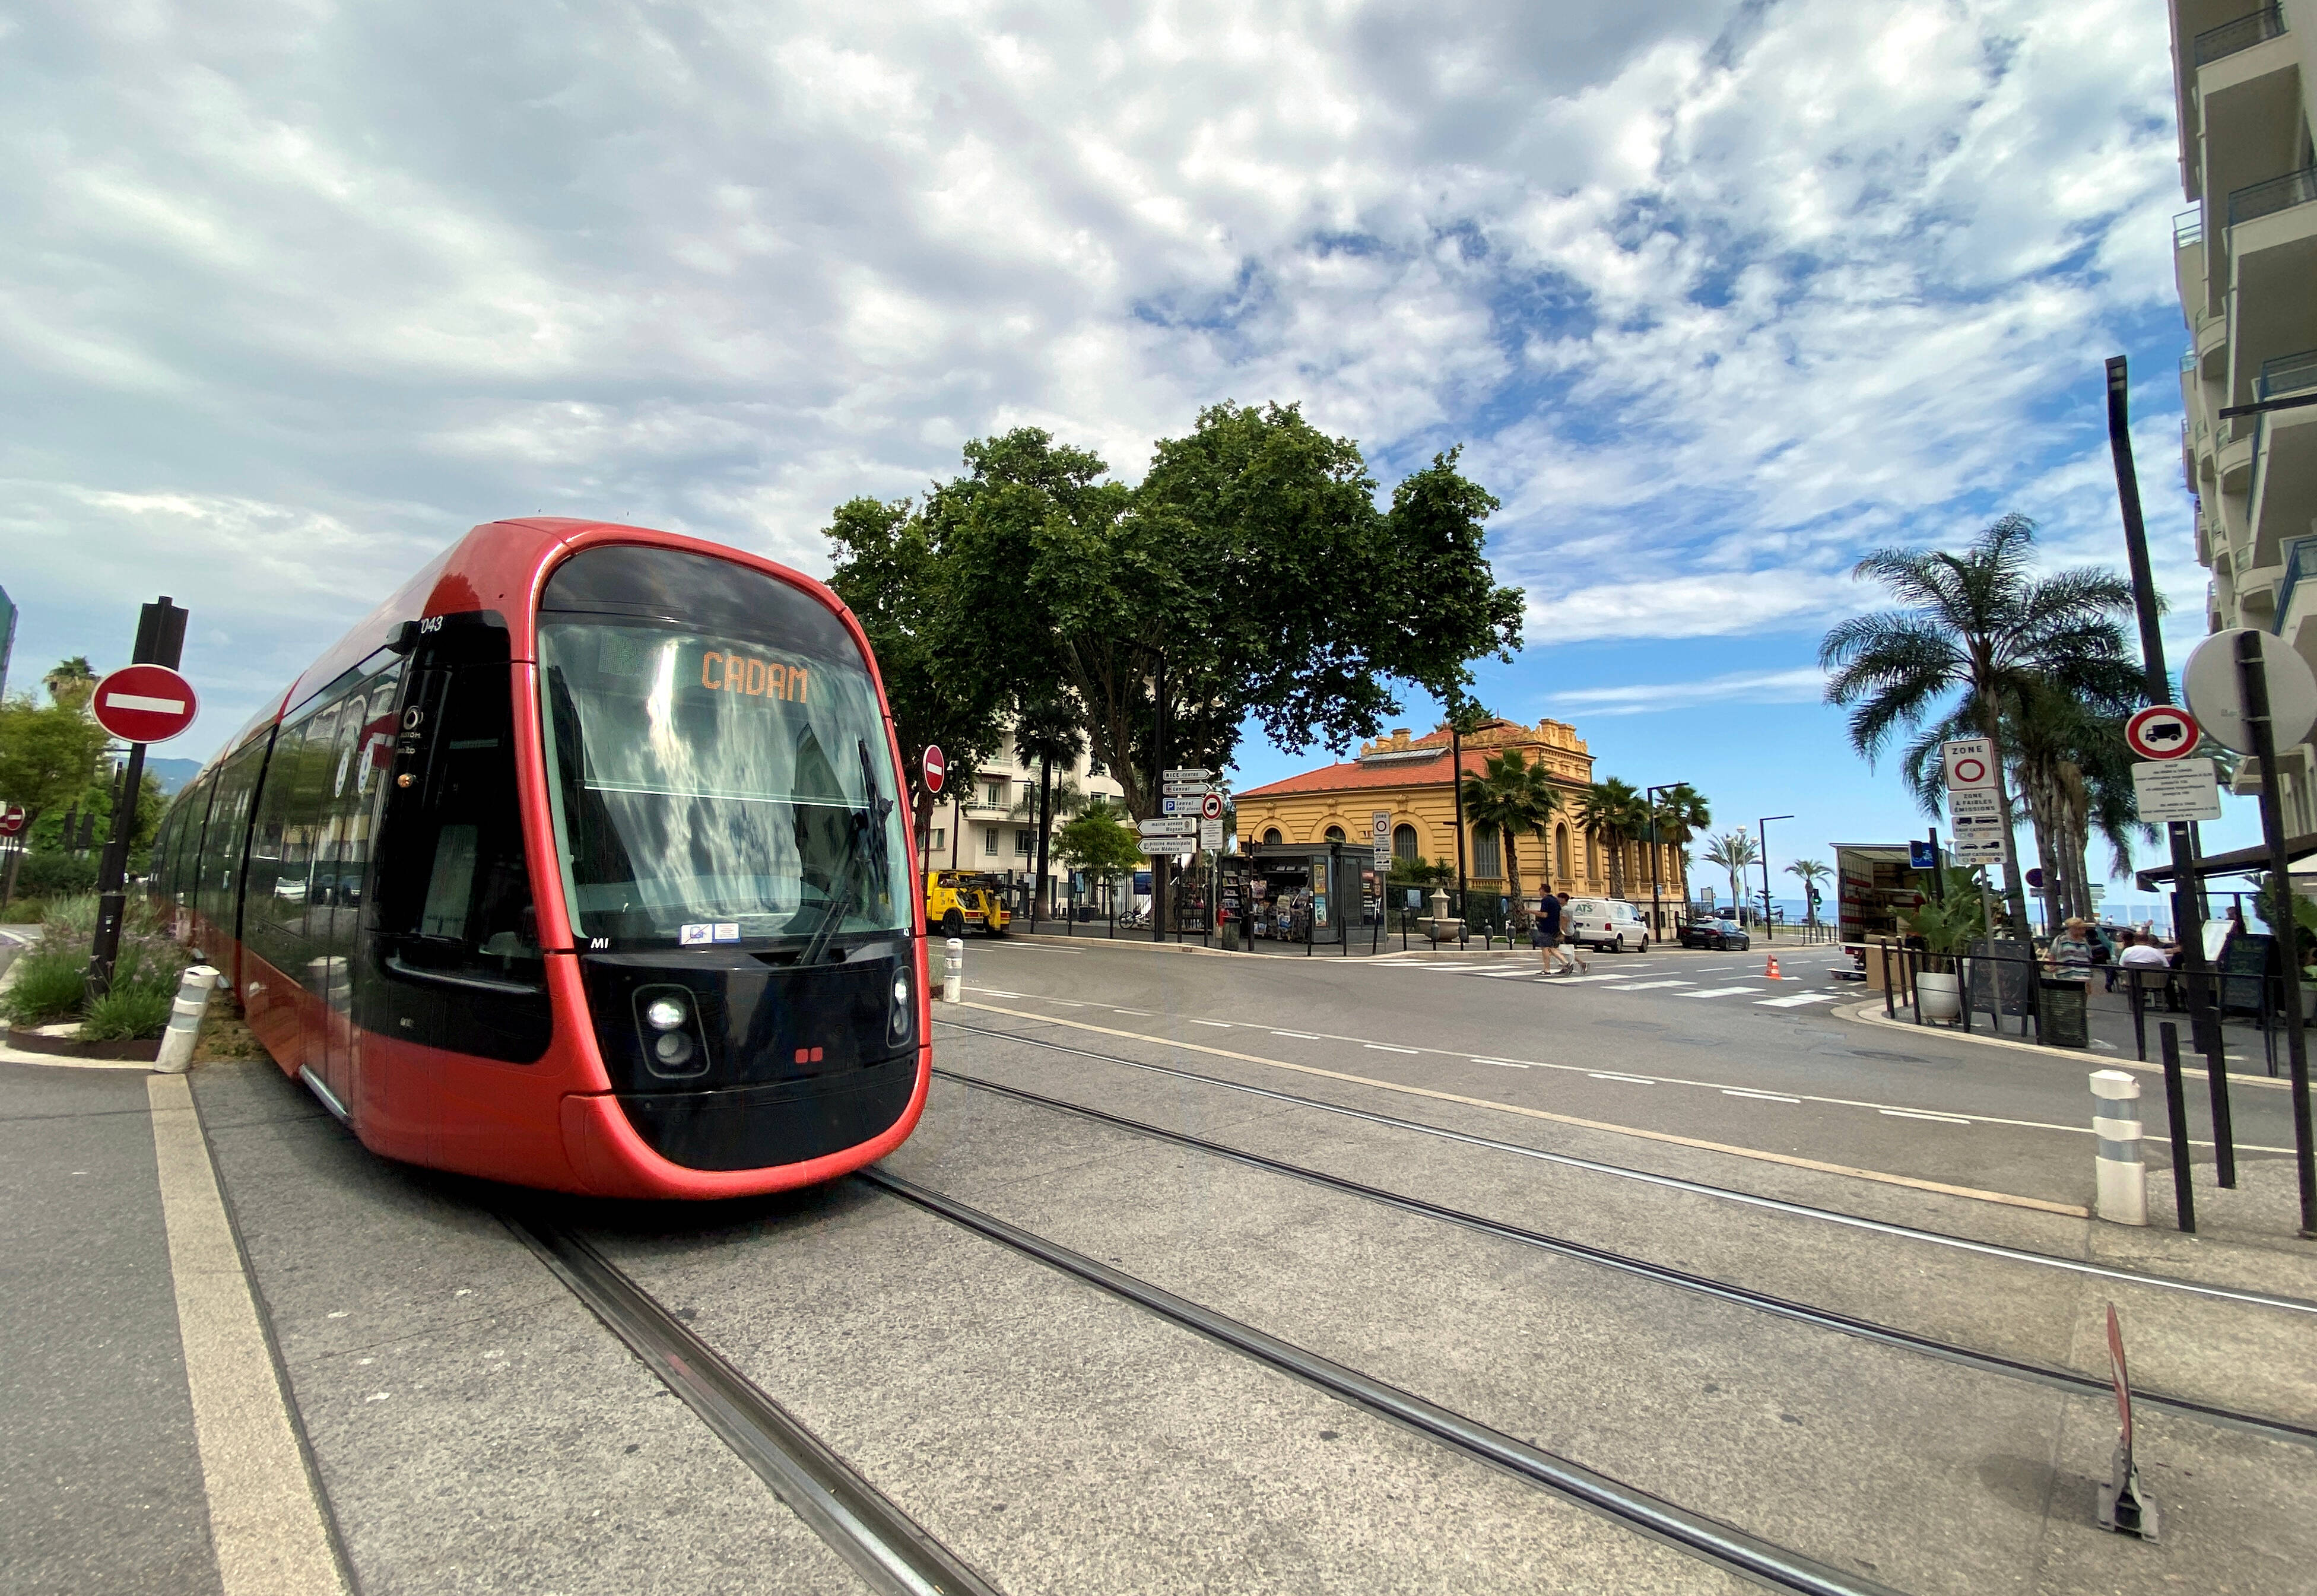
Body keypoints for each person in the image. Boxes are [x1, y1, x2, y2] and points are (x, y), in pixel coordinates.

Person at [1534, 890, 1576, 975]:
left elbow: (1564, 921)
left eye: (1559, 898)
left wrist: (1562, 932)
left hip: (1562, 931)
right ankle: (1566, 965)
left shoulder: (1564, 909)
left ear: (1563, 899)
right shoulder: (1564, 908)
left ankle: (1563, 965)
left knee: (1551, 948)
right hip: (1565, 931)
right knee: (1552, 949)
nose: (1558, 899)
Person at [2048, 916, 2097, 985]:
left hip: (2083, 978)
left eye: (2082, 928)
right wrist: (2053, 966)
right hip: (2065, 976)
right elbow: (2052, 954)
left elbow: (2089, 958)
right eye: (2079, 928)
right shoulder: (2061, 940)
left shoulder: (2084, 942)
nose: (2082, 930)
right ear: (2071, 928)